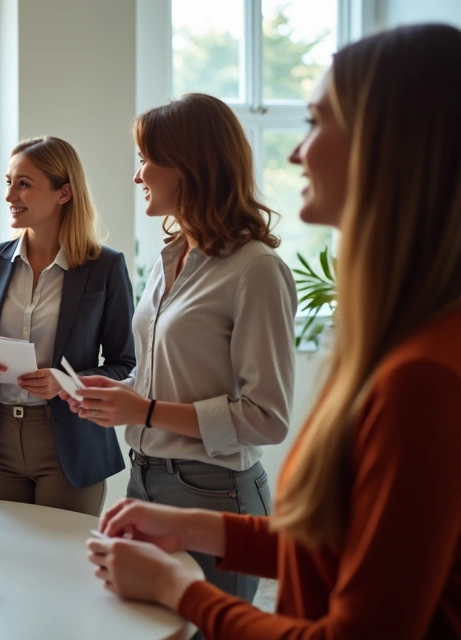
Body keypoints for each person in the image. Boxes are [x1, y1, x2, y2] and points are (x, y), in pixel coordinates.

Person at [86, 23, 461, 639]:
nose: (294, 153)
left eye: (316, 122)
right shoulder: (397, 348)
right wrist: (189, 527)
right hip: (153, 477)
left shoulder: (421, 377)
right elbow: (336, 546)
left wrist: (180, 589)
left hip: (211, 481)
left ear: (387, 145)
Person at [63, 93, 297, 601]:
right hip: (144, 479)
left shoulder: (256, 270)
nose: (137, 176)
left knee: (206, 629)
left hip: (215, 493)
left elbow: (267, 419)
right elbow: (169, 378)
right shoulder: (170, 259)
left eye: (145, 159)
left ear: (188, 166)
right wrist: (121, 393)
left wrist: (143, 411)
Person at [0, 136, 136, 516]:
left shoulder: (105, 267)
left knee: (61, 553)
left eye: (23, 184)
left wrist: (67, 382)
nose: (10, 196)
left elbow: (125, 364)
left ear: (63, 193)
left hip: (71, 443)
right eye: (9, 182)